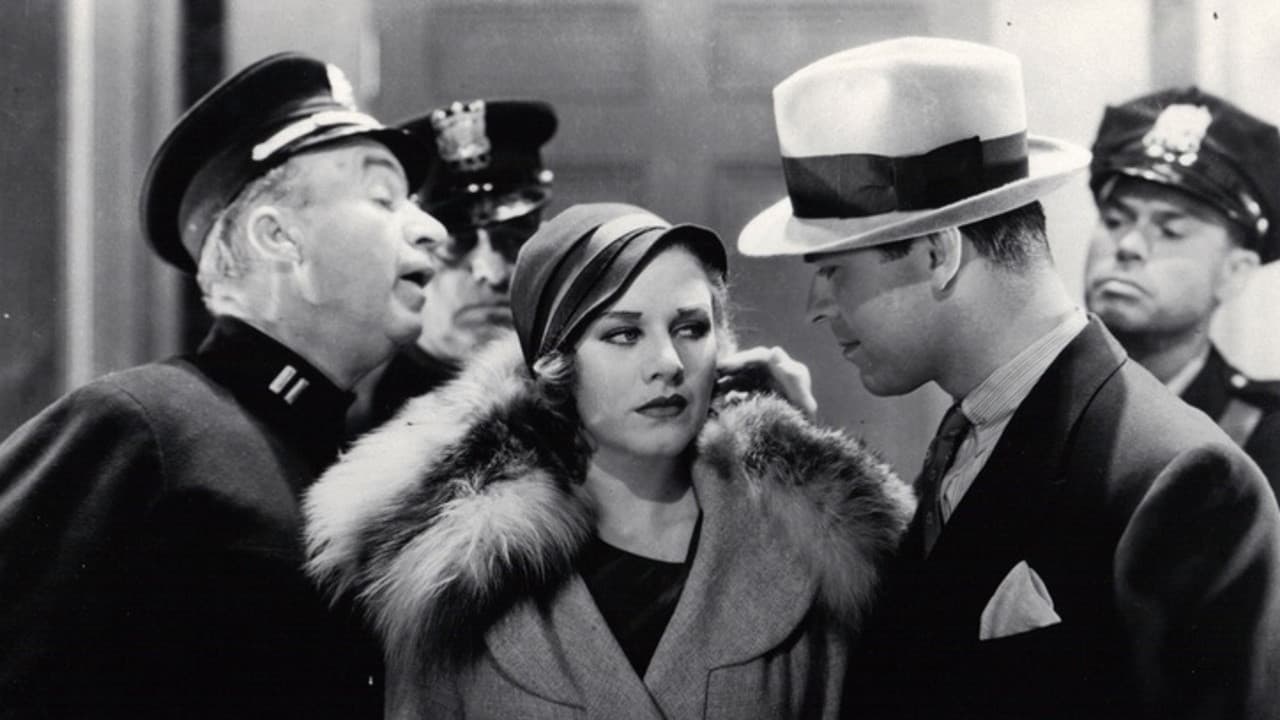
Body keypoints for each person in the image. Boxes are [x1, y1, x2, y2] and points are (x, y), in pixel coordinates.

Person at [738, 37, 1280, 719]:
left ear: (939, 253)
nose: (817, 307)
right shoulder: (973, 430)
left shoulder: (1181, 478)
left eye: (834, 269)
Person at [304, 202, 915, 718]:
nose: (667, 364)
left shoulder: (810, 546)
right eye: (623, 334)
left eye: (691, 328)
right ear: (555, 365)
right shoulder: (453, 575)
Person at [0, 53, 447, 718]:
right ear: (279, 238)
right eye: (383, 199)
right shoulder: (144, 427)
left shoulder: (352, 458)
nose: (432, 230)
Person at [1086, 87, 1280, 492]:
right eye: (1115, 220)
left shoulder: (1265, 442)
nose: (1129, 246)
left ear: (1234, 273)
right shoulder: (1028, 404)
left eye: (1170, 230)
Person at [351, 99, 558, 433]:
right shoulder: (357, 413)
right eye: (456, 243)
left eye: (512, 239)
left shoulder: (580, 402)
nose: (492, 272)